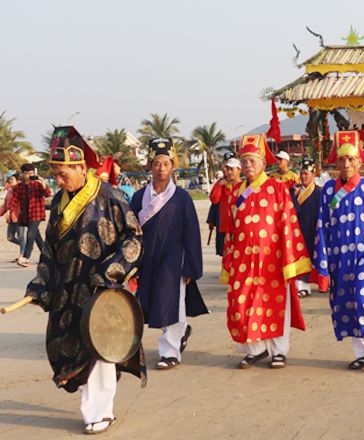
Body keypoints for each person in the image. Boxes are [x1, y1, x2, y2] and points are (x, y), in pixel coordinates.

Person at [24, 126, 145, 434]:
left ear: (81, 167)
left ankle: (99, 412)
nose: (58, 181)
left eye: (63, 174)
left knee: (100, 349)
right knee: (73, 349)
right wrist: (41, 283)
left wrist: (113, 270)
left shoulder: (110, 196)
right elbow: (49, 250)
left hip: (100, 290)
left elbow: (134, 239)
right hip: (67, 290)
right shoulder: (59, 204)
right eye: (55, 174)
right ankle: (95, 407)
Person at [221, 134, 311, 369]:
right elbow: (230, 230)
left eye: (253, 161)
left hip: (272, 258)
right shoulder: (237, 191)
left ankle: (279, 351)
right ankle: (255, 349)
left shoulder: (277, 188)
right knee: (244, 304)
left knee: (275, 304)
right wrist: (228, 260)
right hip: (243, 261)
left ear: (263, 163)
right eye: (245, 161)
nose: (248, 166)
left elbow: (288, 223)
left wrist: (291, 258)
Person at [312, 130, 364, 372]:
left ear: (360, 161)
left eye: (351, 160)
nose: (347, 165)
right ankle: (361, 353)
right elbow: (322, 227)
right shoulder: (328, 191)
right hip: (339, 259)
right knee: (346, 303)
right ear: (335, 162)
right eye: (342, 160)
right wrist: (323, 264)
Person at [130, 137, 208, 370]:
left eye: (166, 163)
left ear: (173, 165)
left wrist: (191, 267)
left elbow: (191, 233)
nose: (161, 168)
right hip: (148, 259)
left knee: (172, 302)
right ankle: (181, 332)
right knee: (153, 301)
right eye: (156, 163)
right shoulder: (138, 197)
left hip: (174, 258)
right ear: (150, 165)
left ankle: (169, 352)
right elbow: (132, 232)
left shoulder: (181, 198)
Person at [291, 156, 322, 298]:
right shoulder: (294, 191)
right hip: (298, 231)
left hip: (313, 230)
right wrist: (294, 196)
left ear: (313, 176)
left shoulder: (318, 193)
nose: (303, 177)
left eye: (306, 174)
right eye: (301, 174)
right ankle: (302, 287)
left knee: (311, 257)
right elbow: (291, 210)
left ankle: (309, 285)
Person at [11, 162, 51, 267]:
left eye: (31, 173)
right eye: (27, 173)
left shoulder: (38, 184)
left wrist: (43, 183)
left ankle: (25, 258)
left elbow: (47, 194)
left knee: (30, 235)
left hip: (37, 214)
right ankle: (47, 258)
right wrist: (8, 210)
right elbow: (15, 200)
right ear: (23, 174)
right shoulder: (19, 187)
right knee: (37, 237)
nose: (29, 175)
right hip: (26, 215)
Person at [207, 152, 242, 257]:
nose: (228, 171)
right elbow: (214, 201)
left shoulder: (244, 186)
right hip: (225, 224)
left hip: (239, 224)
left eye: (231, 168)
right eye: (226, 167)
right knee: (226, 253)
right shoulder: (220, 184)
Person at [1, 174, 26, 262]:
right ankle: (26, 247)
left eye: (12, 179)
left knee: (21, 236)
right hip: (11, 218)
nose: (10, 181)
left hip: (19, 216)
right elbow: (5, 204)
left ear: (19, 181)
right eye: (10, 179)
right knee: (10, 237)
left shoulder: (21, 191)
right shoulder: (10, 191)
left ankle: (22, 254)